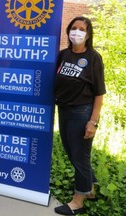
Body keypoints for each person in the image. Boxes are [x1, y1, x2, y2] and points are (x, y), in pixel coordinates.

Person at [54, 16, 106, 215]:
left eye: (81, 29)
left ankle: (78, 201)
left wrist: (93, 122)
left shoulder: (93, 57)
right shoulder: (63, 54)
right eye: (73, 28)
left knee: (79, 155)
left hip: (82, 112)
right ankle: (90, 188)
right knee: (71, 151)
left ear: (88, 33)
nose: (77, 32)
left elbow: (99, 93)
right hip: (64, 110)